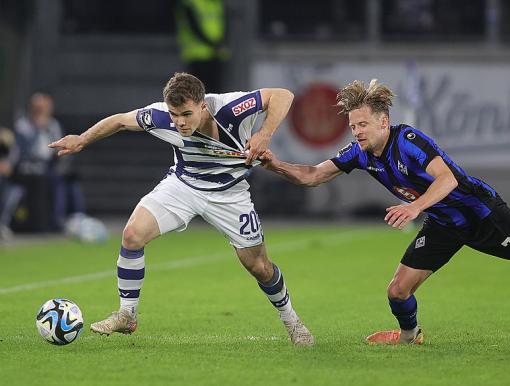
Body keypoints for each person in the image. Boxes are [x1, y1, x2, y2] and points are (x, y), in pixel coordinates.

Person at [259, 79, 510, 345]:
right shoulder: (359, 153)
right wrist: (274, 164)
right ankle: (409, 337)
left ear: (383, 122)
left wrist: (415, 207)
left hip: (482, 214)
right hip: (445, 224)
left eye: (363, 125)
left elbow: (447, 179)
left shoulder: (408, 140)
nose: (357, 132)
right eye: (353, 126)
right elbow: (313, 175)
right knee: (398, 290)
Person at [48, 72, 314, 346]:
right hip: (183, 186)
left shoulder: (231, 108)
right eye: (175, 114)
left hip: (230, 193)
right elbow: (119, 121)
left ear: (203, 106)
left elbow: (283, 94)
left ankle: (292, 321)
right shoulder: (161, 116)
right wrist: (82, 139)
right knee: (132, 235)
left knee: (259, 266)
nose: (180, 122)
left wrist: (264, 134)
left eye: (187, 114)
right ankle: (127, 314)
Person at [14, 92, 85, 232]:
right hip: (28, 168)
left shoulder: (53, 125)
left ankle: (75, 218)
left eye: (44, 107)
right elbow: (25, 151)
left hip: (50, 166)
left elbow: (58, 146)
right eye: (38, 108)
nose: (41, 111)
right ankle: (53, 220)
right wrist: (37, 128)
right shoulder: (23, 125)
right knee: (52, 181)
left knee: (70, 181)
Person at [175, 0, 229, 93]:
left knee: (214, 92)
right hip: (197, 54)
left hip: (215, 54)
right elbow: (193, 26)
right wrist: (214, 45)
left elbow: (224, 24)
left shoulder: (215, 3)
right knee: (197, 92)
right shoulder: (190, 3)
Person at [0, 127, 24, 241]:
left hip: (9, 183)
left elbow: (8, 168)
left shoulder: (12, 148)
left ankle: (2, 225)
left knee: (14, 193)